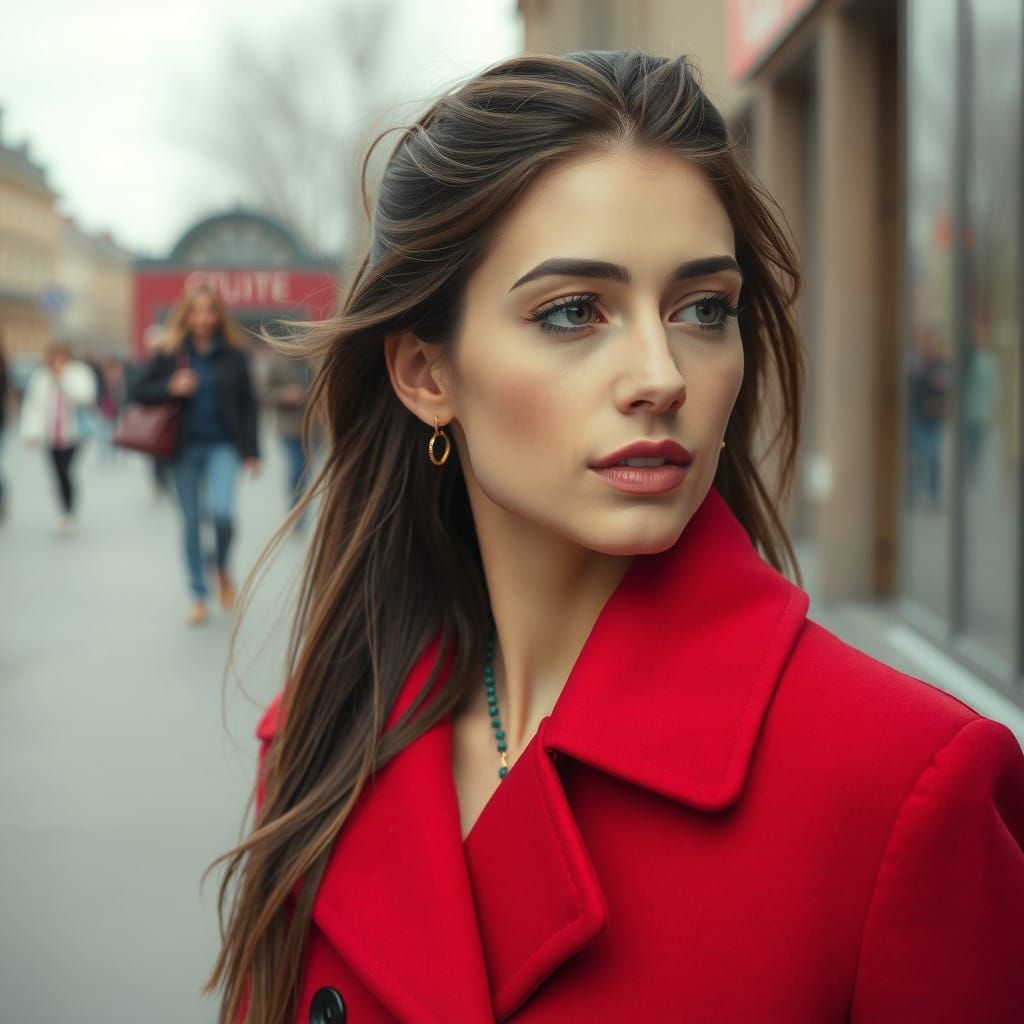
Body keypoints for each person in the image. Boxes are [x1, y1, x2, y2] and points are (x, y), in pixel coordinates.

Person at [206, 53, 1024, 1024]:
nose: (660, 373)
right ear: (426, 373)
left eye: (702, 309)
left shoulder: (901, 787)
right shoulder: (324, 737)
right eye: (571, 311)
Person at [129, 285, 261, 625]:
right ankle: (199, 593)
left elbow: (248, 405)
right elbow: (138, 391)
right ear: (185, 315)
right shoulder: (170, 353)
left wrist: (252, 451)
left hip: (224, 446)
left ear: (218, 315)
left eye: (209, 311)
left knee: (221, 514)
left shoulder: (234, 354)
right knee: (190, 522)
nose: (202, 318)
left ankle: (221, 566)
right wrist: (169, 386)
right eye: (196, 311)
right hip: (182, 449)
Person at [19, 341, 98, 532]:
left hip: (75, 434)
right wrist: (30, 432)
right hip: (50, 434)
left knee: (67, 470)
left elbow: (86, 397)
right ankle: (65, 511)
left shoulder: (78, 373)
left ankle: (70, 509)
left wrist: (63, 380)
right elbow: (33, 407)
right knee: (58, 473)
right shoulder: (40, 377)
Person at [259, 346, 315, 529]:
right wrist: (284, 394)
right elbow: (264, 392)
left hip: (312, 426)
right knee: (295, 468)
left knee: (306, 470)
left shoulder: (315, 359)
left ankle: (301, 510)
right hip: (287, 427)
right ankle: (295, 508)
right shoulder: (278, 360)